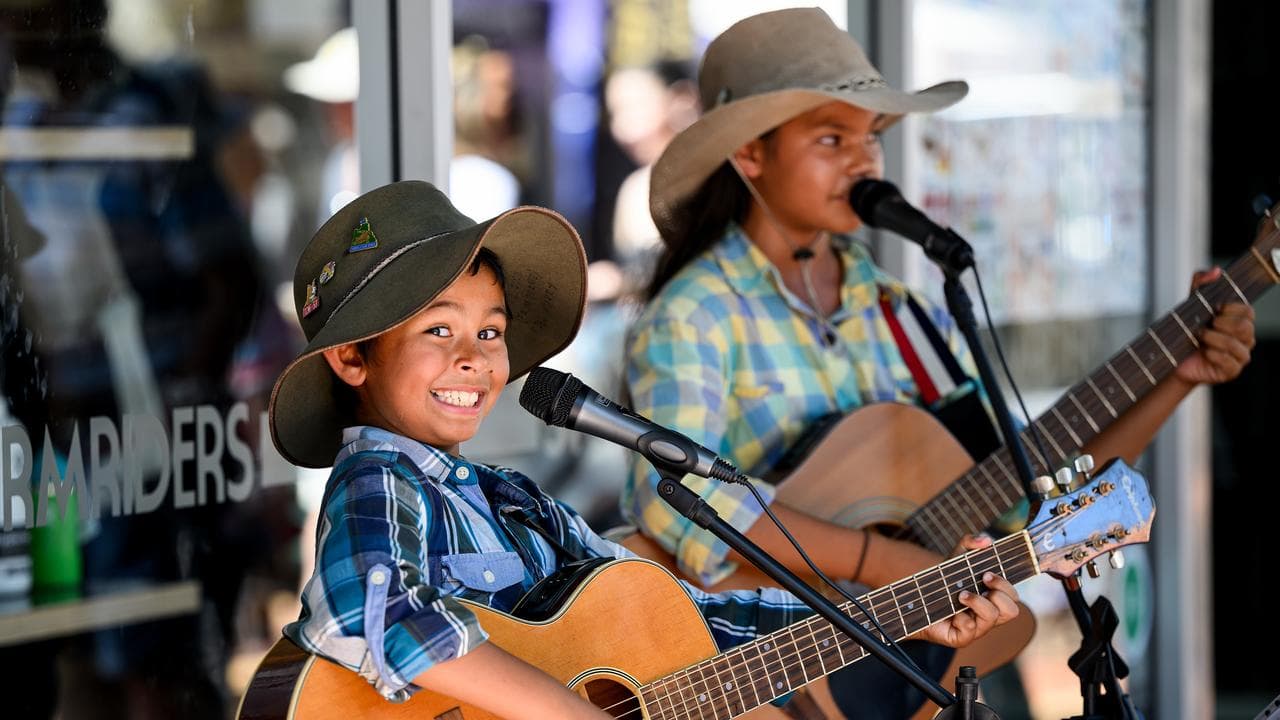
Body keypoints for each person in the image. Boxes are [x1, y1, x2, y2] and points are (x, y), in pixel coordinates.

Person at [621, 8, 1256, 719]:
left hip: (904, 675)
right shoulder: (698, 311)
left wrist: (1178, 377)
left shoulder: (902, 311)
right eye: (832, 138)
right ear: (750, 156)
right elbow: (682, 505)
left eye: (872, 139)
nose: (862, 162)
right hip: (765, 682)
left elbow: (1030, 489)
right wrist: (890, 565)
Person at [265, 179, 1022, 718]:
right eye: (439, 330)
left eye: (490, 332)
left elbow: (690, 620)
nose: (474, 357)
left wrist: (887, 619)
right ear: (352, 359)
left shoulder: (510, 500)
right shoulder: (380, 480)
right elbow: (367, 614)